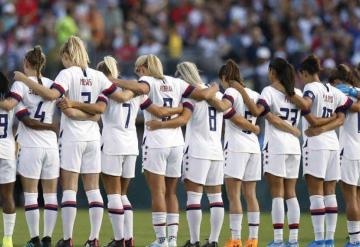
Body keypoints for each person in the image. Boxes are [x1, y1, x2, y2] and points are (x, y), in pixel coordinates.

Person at [13, 36, 123, 247]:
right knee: (93, 190)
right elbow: (101, 109)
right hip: (93, 136)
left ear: (66, 55)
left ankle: (67, 239)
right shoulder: (98, 75)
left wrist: (24, 79)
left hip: (72, 137)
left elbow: (51, 94)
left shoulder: (66, 73)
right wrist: (87, 114)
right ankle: (94, 239)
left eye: (63, 58)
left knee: (70, 189)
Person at [112, 55, 218, 247]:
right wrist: (215, 87)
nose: (138, 73)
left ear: (145, 68)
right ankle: (172, 240)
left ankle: (161, 240)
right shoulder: (177, 82)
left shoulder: (148, 81)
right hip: (176, 143)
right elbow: (202, 96)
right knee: (171, 193)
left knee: (158, 193)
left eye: (138, 69)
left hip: (156, 142)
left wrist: (112, 80)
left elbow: (140, 89)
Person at [94, 56, 183, 247]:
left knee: (113, 195)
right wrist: (179, 108)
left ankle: (119, 241)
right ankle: (128, 238)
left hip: (112, 143)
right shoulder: (136, 91)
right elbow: (158, 110)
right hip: (131, 144)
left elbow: (97, 110)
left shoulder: (105, 89)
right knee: (124, 195)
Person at [146, 61, 230, 247]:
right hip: (216, 149)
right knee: (216, 198)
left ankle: (194, 241)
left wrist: (159, 124)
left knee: (194, 197)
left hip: (197, 149)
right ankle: (214, 240)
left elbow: (183, 120)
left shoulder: (191, 96)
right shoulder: (217, 93)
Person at [232, 58, 302, 246]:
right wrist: (294, 130)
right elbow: (306, 107)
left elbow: (256, 111)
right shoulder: (297, 93)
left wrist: (240, 90)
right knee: (291, 193)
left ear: (272, 71)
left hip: (277, 145)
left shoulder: (268, 91)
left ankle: (279, 240)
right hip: (294, 147)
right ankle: (293, 240)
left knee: (277, 193)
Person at [284, 55, 353, 247]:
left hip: (315, 144)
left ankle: (320, 239)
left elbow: (306, 105)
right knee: (330, 192)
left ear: (304, 73)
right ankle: (329, 240)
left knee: (316, 193)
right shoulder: (332, 90)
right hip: (333, 144)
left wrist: (291, 93)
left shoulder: (310, 88)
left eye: (301, 76)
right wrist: (326, 125)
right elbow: (341, 117)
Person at [0, 47, 62, 247]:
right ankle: (47, 239)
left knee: (31, 195)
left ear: (26, 63)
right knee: (51, 195)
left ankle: (34, 239)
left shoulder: (19, 84)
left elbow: (12, 108)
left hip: (30, 146)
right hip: (51, 146)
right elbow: (60, 101)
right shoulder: (52, 84)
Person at [207, 59, 262, 247]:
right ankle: (253, 239)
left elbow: (224, 107)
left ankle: (236, 239)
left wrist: (209, 94)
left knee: (234, 196)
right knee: (251, 195)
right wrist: (253, 128)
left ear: (224, 77)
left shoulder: (230, 91)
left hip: (236, 146)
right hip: (254, 147)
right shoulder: (254, 93)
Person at [325, 65, 360, 246]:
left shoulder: (342, 95)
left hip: (350, 148)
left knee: (351, 196)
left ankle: (355, 240)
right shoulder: (357, 91)